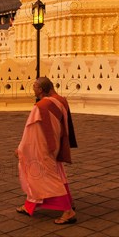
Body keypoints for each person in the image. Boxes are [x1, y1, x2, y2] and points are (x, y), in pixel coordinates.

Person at [15, 77, 77, 225]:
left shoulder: (40, 107)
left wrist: (21, 148)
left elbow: (31, 132)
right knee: (55, 173)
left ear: (41, 89)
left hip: (42, 148)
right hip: (55, 143)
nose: (33, 90)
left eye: (34, 87)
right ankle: (29, 205)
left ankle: (68, 211)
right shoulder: (61, 100)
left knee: (44, 175)